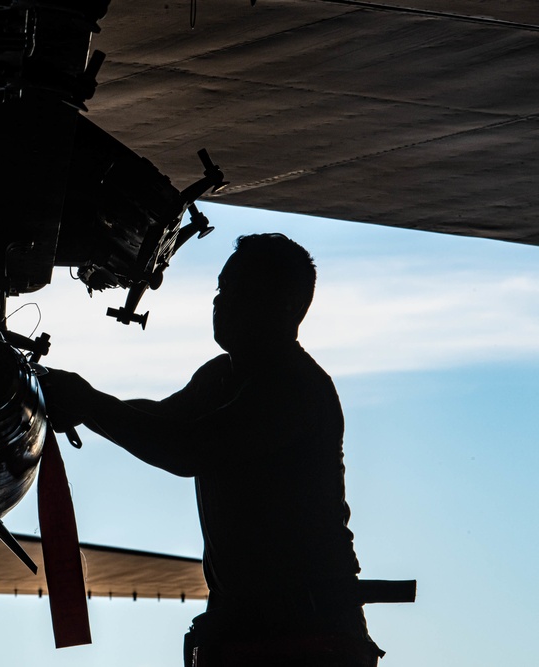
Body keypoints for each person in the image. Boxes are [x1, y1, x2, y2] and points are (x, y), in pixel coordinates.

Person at [40, 234, 384, 666]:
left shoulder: (292, 388)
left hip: (308, 636)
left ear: (283, 307)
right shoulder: (223, 375)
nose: (222, 303)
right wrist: (71, 400)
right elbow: (164, 419)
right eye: (222, 289)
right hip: (253, 630)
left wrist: (87, 403)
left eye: (240, 292)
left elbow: (187, 449)